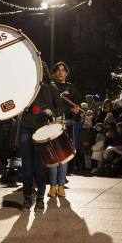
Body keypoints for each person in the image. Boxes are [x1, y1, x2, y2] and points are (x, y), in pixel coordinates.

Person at [18, 62, 57, 210]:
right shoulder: (26, 87)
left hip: (42, 131)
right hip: (26, 129)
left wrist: (51, 111)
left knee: (40, 167)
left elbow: (59, 107)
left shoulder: (50, 88)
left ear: (44, 71)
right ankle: (27, 198)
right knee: (27, 167)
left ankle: (40, 199)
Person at [49, 61, 79, 198]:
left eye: (63, 70)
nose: (61, 72)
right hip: (52, 125)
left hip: (66, 125)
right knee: (53, 157)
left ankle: (61, 187)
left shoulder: (72, 88)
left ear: (67, 73)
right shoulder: (50, 87)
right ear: (54, 73)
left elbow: (76, 108)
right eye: (58, 70)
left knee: (64, 157)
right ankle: (52, 186)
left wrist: (75, 111)